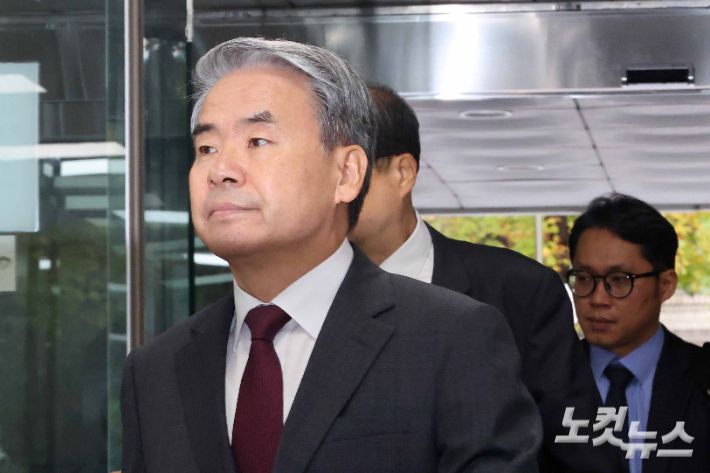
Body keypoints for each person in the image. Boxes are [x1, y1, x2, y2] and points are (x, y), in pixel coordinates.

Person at [120, 37, 542, 473]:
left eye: (257, 141)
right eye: (206, 148)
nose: (220, 170)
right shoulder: (155, 371)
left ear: (346, 173)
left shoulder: (451, 338)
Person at [348, 84, 617, 473]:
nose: (332, 191)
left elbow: (581, 451)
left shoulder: (518, 291)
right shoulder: (289, 295)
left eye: (349, 169)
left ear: (402, 172)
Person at [567, 193, 710, 473]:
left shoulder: (702, 377)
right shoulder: (543, 382)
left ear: (665, 285)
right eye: (584, 278)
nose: (597, 298)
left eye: (619, 280)